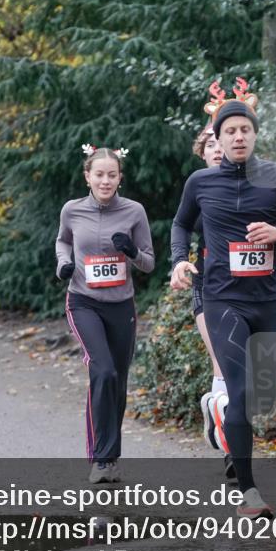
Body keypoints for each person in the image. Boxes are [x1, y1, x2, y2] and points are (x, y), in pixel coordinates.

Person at [170, 78, 276, 519]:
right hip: (221, 298)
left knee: (260, 395)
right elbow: (180, 226)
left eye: (244, 130)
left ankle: (221, 414)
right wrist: (179, 261)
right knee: (241, 389)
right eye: (228, 131)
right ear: (216, 137)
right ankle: (248, 493)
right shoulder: (200, 182)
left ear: (254, 135)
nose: (237, 137)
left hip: (265, 299)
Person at [56, 145, 155, 484]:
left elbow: (149, 262)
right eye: (99, 174)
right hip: (83, 301)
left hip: (121, 305)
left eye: (112, 175)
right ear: (87, 176)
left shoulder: (134, 212)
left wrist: (130, 252)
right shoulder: (72, 210)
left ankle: (111, 458)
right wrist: (64, 264)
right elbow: (63, 242)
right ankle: (100, 458)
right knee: (103, 371)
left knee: (119, 381)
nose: (105, 180)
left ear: (119, 178)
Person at [189, 126, 230, 458]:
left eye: (221, 143)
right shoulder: (199, 187)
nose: (216, 149)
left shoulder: (252, 185)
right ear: (202, 152)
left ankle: (215, 409)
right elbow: (182, 225)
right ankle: (230, 443)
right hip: (207, 284)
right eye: (210, 145)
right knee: (221, 358)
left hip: (246, 286)